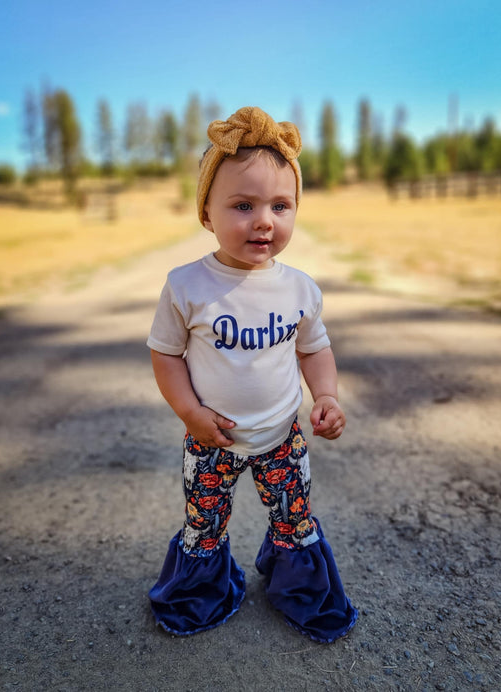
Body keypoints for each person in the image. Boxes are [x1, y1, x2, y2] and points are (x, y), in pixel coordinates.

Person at [147, 106, 358, 643]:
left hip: (282, 437)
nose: (264, 220)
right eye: (243, 205)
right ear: (206, 212)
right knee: (204, 522)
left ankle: (298, 589)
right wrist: (190, 413)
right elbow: (166, 356)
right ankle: (199, 592)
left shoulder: (299, 288)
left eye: (280, 206)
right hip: (211, 438)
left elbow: (314, 348)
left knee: (294, 519)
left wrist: (326, 395)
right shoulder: (186, 286)